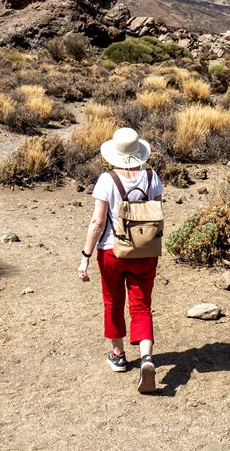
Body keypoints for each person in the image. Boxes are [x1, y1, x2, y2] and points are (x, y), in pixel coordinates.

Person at [78, 127, 163, 393]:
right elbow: (157, 212)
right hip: (145, 251)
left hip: (112, 251)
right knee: (141, 305)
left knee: (113, 301)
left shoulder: (107, 179)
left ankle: (118, 356)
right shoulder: (152, 177)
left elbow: (97, 221)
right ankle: (147, 358)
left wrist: (85, 256)